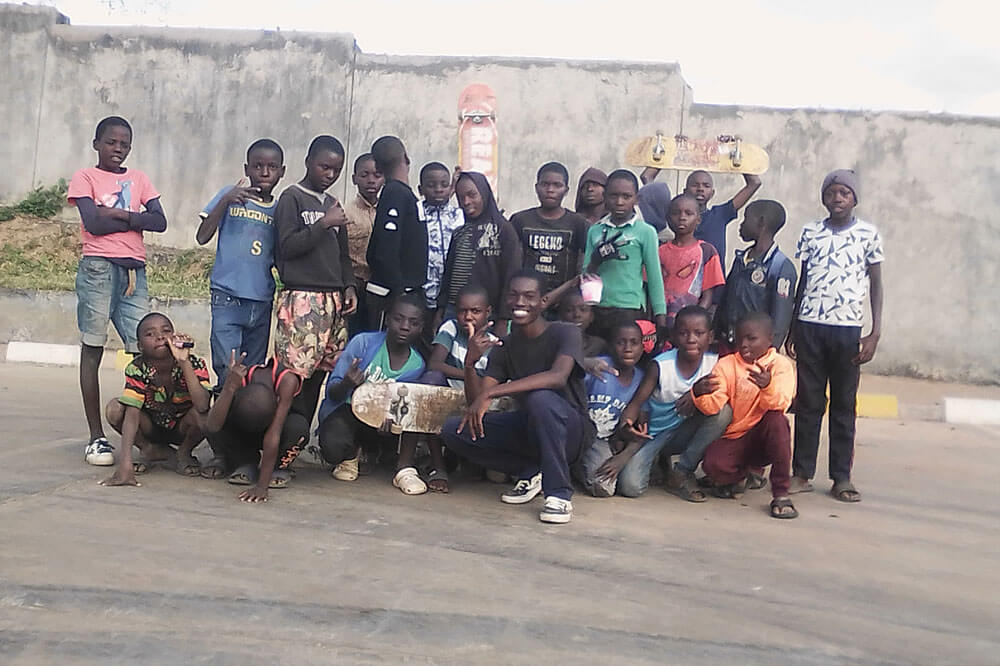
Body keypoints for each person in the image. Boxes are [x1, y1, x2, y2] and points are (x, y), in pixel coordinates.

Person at [441, 271, 593, 524]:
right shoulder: (506, 346)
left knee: (540, 399)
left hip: (571, 432)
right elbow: (477, 401)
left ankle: (559, 495)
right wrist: (470, 364)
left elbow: (557, 377)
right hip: (531, 429)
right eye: (513, 295)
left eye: (529, 296)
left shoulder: (565, 333)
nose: (519, 302)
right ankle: (532, 472)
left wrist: (492, 392)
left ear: (543, 301)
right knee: (453, 431)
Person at [68, 116, 167, 467]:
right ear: (97, 143)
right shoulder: (85, 177)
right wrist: (134, 216)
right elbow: (92, 223)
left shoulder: (139, 179)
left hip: (133, 273)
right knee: (93, 347)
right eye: (111, 142)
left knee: (147, 351)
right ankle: (97, 437)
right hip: (98, 269)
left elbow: (160, 221)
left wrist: (119, 214)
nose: (118, 148)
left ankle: (146, 435)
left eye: (125, 143)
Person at [787, 169, 884, 503]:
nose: (837, 199)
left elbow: (876, 284)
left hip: (848, 330)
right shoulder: (811, 232)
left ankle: (841, 477)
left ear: (854, 198)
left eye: (844, 193)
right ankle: (801, 473)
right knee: (808, 402)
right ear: (823, 197)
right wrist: (792, 328)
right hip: (810, 326)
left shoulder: (868, 235)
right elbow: (803, 280)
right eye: (831, 193)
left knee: (844, 404)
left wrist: (874, 332)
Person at [273, 134, 357, 426]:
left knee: (321, 373)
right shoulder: (292, 197)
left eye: (336, 169)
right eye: (324, 167)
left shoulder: (333, 203)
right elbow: (287, 247)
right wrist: (323, 224)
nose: (330, 175)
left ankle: (300, 436)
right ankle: (284, 441)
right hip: (301, 298)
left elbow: (342, 255)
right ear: (308, 162)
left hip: (333, 301)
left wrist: (349, 286)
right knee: (294, 375)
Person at [316, 294, 431, 495]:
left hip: (380, 424)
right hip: (348, 413)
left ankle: (374, 453)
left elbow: (402, 409)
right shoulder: (363, 344)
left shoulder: (417, 364)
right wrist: (347, 383)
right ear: (387, 319)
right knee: (332, 446)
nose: (404, 326)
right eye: (398, 319)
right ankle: (351, 455)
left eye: (413, 323)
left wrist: (389, 423)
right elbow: (332, 394)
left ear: (421, 328)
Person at [614, 306, 731, 499]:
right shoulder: (660, 366)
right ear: (674, 336)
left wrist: (695, 396)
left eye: (699, 333)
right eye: (684, 333)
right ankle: (659, 460)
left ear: (710, 337)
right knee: (630, 487)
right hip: (655, 434)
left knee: (723, 412)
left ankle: (681, 472)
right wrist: (626, 424)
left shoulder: (715, 364)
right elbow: (636, 403)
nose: (691, 339)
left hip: (685, 430)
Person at [196, 138, 285, 386]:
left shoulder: (280, 209)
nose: (265, 172)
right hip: (227, 297)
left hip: (262, 301)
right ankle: (222, 419)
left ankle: (243, 422)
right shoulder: (230, 196)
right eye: (257, 166)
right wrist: (225, 201)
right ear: (246, 169)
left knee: (252, 372)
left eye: (272, 167)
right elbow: (202, 236)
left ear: (282, 171)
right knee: (227, 368)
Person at [696, 313, 798, 519]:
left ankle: (781, 493)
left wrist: (767, 386)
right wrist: (699, 394)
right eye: (739, 338)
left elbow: (781, 402)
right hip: (737, 435)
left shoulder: (780, 366)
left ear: (770, 339)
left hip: (765, 436)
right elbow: (714, 407)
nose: (743, 344)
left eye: (751, 338)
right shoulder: (726, 364)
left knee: (777, 420)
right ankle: (743, 476)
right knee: (712, 465)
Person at [99, 313, 210, 486]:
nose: (160, 337)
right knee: (115, 408)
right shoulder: (137, 368)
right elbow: (132, 413)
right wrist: (125, 463)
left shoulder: (195, 363)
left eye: (166, 331)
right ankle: (149, 449)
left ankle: (184, 452)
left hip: (183, 427)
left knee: (206, 415)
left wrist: (184, 362)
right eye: (150, 334)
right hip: (151, 426)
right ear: (140, 346)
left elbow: (203, 405)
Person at [202, 350, 307, 503]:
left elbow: (274, 433)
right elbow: (212, 426)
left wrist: (261, 487)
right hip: (244, 430)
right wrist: (229, 388)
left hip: (279, 428)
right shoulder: (241, 378)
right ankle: (245, 461)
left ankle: (278, 467)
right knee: (217, 415)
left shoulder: (287, 380)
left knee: (298, 430)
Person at [583, 169, 667, 342]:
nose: (619, 202)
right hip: (599, 307)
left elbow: (654, 276)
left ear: (636, 199)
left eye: (626, 197)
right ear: (605, 197)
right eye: (613, 196)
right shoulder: (596, 230)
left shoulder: (645, 231)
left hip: (630, 308)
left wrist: (661, 317)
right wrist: (596, 261)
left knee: (626, 358)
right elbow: (586, 275)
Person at [436, 172, 521, 336]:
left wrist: (504, 318)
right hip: (454, 311)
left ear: (484, 193)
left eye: (472, 195)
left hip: (486, 314)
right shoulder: (460, 232)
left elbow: (511, 275)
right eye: (461, 198)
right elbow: (448, 274)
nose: (466, 202)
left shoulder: (503, 230)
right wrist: (442, 308)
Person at [715, 199, 797, 352]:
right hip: (728, 346)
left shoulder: (780, 266)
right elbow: (726, 299)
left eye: (746, 218)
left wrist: (769, 354)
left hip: (754, 351)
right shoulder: (741, 259)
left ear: (761, 222)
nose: (741, 224)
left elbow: (780, 318)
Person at [575, 320, 645, 497]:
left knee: (606, 488)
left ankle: (578, 465)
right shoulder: (597, 367)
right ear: (610, 346)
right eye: (620, 343)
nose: (627, 348)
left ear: (642, 347)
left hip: (604, 440)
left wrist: (621, 458)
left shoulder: (642, 379)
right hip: (579, 433)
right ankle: (572, 465)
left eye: (634, 343)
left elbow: (643, 428)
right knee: (602, 486)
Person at [365, 136, 427, 330]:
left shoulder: (405, 195)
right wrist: (399, 292)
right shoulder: (394, 193)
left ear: (378, 167)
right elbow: (385, 248)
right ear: (406, 158)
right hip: (390, 295)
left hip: (405, 291)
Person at [509, 162, 589, 296]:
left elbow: (586, 261)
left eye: (557, 185)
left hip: (564, 298)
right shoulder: (520, 220)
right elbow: (512, 260)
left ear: (566, 190)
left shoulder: (577, 223)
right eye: (545, 184)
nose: (550, 190)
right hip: (527, 297)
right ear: (536, 187)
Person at [658, 194, 726, 329]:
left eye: (688, 214)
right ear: (667, 218)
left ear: (698, 219)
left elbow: (707, 296)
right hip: (663, 322)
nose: (682, 217)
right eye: (676, 213)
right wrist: (659, 322)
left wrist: (694, 320)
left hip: (692, 325)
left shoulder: (707, 251)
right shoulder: (659, 251)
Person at [683, 170, 762, 269]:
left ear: (712, 193)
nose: (700, 189)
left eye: (706, 186)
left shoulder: (720, 214)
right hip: (685, 281)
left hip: (714, 282)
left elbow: (755, 183)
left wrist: (739, 159)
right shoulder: (677, 216)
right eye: (695, 185)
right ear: (685, 191)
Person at [343, 152, 384, 335]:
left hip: (379, 287)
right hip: (354, 286)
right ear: (354, 179)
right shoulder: (345, 212)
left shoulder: (387, 211)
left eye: (377, 175)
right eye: (364, 175)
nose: (371, 181)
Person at [425, 284, 497, 389]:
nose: (468, 317)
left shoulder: (493, 343)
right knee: (432, 377)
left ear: (488, 312)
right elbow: (434, 364)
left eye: (475, 311)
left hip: (477, 394)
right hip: (448, 390)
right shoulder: (451, 327)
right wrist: (468, 374)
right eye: (462, 311)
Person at [419, 161, 463, 320]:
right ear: (421, 189)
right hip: (421, 292)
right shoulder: (415, 213)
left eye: (444, 185)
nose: (438, 190)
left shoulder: (458, 215)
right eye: (432, 185)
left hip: (452, 293)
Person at [554, 288, 606, 357]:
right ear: (560, 316)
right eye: (569, 310)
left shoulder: (598, 345)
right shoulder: (552, 344)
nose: (577, 315)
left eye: (583, 309)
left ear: (591, 316)